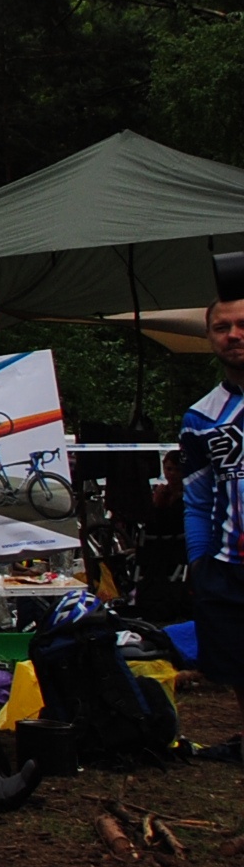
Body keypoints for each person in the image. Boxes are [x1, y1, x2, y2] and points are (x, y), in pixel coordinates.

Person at [181, 257, 244, 691]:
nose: (233, 334)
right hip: (227, 572)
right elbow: (197, 501)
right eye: (222, 327)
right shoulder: (201, 418)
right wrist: (200, 565)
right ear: (209, 336)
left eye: (242, 325)